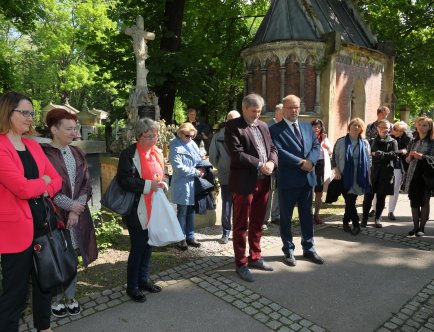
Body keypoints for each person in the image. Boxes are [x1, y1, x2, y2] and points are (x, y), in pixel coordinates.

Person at [0, 91, 62, 332]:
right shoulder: (1, 147)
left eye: (31, 113)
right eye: (24, 112)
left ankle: (44, 328)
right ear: (7, 112)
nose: (30, 118)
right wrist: (43, 183)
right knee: (14, 293)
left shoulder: (33, 145)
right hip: (15, 231)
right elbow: (22, 188)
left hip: (42, 224)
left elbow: (56, 179)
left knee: (44, 284)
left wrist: (43, 186)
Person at [41, 108, 98, 317]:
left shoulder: (77, 152)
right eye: (69, 129)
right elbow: (46, 188)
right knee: (56, 255)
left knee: (73, 254)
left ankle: (71, 295)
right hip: (54, 215)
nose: (74, 133)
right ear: (54, 129)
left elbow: (86, 184)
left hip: (78, 215)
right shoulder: (43, 154)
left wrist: (77, 208)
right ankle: (55, 299)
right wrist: (69, 206)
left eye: (75, 128)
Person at [225, 93, 277, 282]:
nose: (256, 114)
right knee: (240, 224)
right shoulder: (233, 126)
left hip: (264, 181)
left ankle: (255, 256)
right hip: (244, 182)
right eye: (253, 111)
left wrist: (271, 162)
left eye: (259, 111)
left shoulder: (263, 126)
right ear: (244, 108)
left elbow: (272, 148)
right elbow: (236, 154)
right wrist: (259, 164)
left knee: (257, 221)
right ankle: (241, 262)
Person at [116, 118, 167, 302]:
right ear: (139, 136)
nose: (153, 139)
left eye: (155, 135)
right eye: (148, 136)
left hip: (154, 207)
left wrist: (163, 184)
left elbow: (163, 174)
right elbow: (124, 180)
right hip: (137, 208)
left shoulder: (157, 153)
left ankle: (144, 279)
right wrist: (148, 185)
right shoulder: (129, 154)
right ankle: (132, 286)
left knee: (149, 245)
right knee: (138, 247)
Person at [270, 94, 323, 266]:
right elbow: (278, 151)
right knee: (286, 217)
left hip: (307, 180)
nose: (294, 110)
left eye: (297, 107)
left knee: (306, 215)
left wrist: (311, 161)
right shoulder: (275, 130)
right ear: (283, 109)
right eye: (290, 107)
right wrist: (301, 162)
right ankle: (288, 249)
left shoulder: (307, 127)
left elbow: (316, 146)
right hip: (289, 180)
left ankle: (309, 248)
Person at [331, 117, 371, 235]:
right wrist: (336, 171)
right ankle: (356, 224)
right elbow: (334, 158)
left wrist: (368, 175)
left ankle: (345, 222)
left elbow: (369, 159)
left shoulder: (365, 143)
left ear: (361, 129)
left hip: (358, 176)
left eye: (359, 126)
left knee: (350, 201)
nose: (356, 127)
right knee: (349, 200)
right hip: (344, 176)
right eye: (354, 125)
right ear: (349, 127)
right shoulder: (341, 141)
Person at [170, 122, 204, 250]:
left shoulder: (192, 143)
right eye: (187, 135)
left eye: (192, 136)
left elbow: (198, 159)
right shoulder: (174, 145)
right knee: (182, 211)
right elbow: (178, 167)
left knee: (190, 211)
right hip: (182, 183)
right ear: (180, 133)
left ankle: (190, 236)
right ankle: (181, 238)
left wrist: (203, 165)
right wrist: (196, 171)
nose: (190, 138)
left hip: (193, 183)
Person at [209, 110, 241, 244]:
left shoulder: (244, 133)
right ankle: (226, 232)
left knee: (241, 205)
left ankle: (238, 232)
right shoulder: (218, 136)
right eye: (231, 120)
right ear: (227, 120)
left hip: (242, 175)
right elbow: (212, 157)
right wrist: (222, 166)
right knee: (227, 204)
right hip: (227, 175)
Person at [361, 119, 398, 228]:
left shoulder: (393, 141)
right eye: (381, 127)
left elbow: (394, 155)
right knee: (368, 196)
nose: (384, 130)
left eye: (386, 128)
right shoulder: (371, 141)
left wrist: (381, 154)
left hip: (386, 172)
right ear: (377, 128)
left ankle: (377, 218)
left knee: (381, 197)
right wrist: (374, 154)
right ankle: (364, 219)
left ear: (389, 129)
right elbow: (366, 155)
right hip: (373, 171)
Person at [404, 116, 434, 237]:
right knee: (414, 202)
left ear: (430, 127)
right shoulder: (412, 141)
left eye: (424, 125)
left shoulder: (432, 142)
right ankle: (415, 227)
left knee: (424, 202)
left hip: (425, 176)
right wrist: (409, 157)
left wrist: (421, 156)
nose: (421, 127)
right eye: (419, 124)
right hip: (412, 175)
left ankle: (422, 228)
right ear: (416, 125)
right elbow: (406, 160)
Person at [365, 105, 392, 217]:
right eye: (383, 114)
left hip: (384, 162)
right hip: (372, 160)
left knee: (381, 191)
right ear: (378, 114)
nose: (385, 116)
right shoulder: (371, 126)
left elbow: (392, 141)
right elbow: (367, 140)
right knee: (370, 191)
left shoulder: (390, 126)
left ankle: (376, 210)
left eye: (386, 115)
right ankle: (367, 215)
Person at [263, 103, 283, 230]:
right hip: (270, 163)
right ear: (277, 113)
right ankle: (264, 218)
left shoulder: (285, 126)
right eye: (283, 111)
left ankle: (276, 216)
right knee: (268, 191)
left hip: (282, 164)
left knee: (279, 191)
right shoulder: (268, 126)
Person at [388, 121, 411, 220]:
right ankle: (374, 209)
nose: (393, 130)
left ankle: (391, 211)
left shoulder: (409, 139)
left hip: (399, 166)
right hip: (387, 164)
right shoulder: (388, 137)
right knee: (380, 187)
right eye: (394, 128)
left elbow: (409, 152)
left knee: (395, 189)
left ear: (402, 131)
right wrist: (401, 151)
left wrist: (405, 153)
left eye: (396, 129)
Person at [311, 119, 333, 225]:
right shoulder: (307, 137)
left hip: (320, 166)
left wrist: (325, 145)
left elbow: (330, 151)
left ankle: (316, 214)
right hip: (310, 166)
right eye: (315, 126)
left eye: (319, 127)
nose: (317, 129)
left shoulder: (323, 138)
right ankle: (308, 215)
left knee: (319, 192)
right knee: (308, 192)